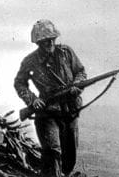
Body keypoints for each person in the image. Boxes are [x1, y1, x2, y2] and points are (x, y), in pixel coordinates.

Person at [14, 20, 87, 177]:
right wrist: (32, 100)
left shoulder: (66, 52)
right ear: (38, 42)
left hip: (70, 110)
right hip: (48, 113)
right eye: (46, 41)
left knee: (70, 158)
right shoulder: (30, 61)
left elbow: (80, 72)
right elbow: (20, 83)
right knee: (53, 151)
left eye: (52, 39)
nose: (50, 43)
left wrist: (77, 84)